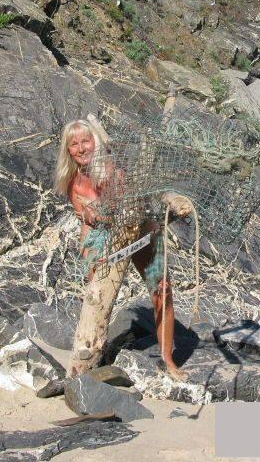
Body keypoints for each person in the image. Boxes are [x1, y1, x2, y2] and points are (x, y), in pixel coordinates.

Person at [54, 118, 188, 380]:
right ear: (67, 150)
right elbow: (85, 222)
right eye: (74, 144)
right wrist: (90, 250)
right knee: (95, 296)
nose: (81, 148)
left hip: (141, 232)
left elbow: (137, 201)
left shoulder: (113, 168)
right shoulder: (71, 180)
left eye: (86, 140)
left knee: (162, 290)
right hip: (105, 240)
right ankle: (88, 360)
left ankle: (168, 359)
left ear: (95, 142)